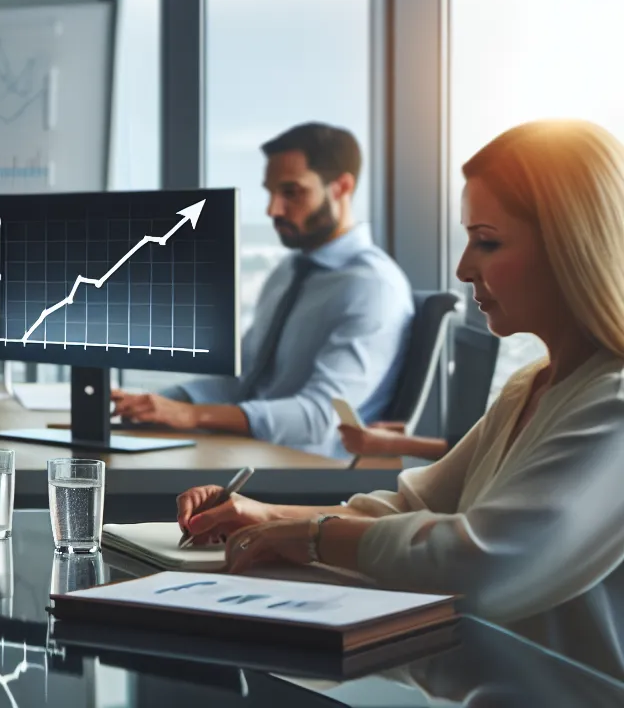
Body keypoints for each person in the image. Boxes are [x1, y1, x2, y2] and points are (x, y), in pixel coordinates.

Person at [176, 119, 624, 680]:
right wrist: (268, 515)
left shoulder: (615, 401)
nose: (463, 268)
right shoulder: (529, 385)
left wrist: (312, 536)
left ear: (572, 245)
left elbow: (480, 567)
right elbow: (414, 506)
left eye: (487, 241)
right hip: (489, 685)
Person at [112, 123, 413, 457]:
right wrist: (160, 403)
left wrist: (191, 415)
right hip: (253, 450)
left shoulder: (373, 287)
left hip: (307, 467)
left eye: (291, 192)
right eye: (270, 193)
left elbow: (320, 417)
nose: (273, 210)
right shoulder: (289, 271)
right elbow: (244, 380)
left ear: (341, 187)